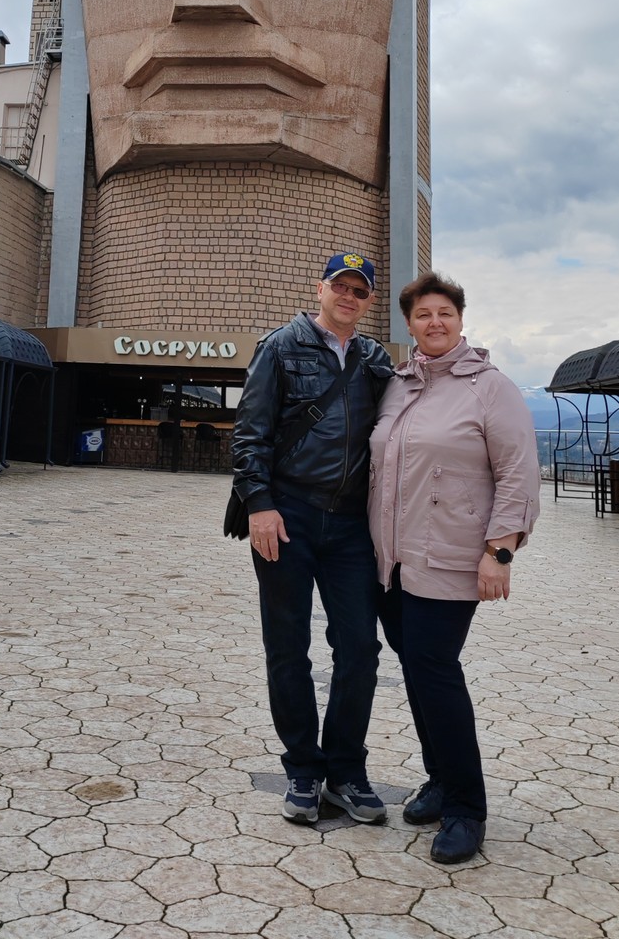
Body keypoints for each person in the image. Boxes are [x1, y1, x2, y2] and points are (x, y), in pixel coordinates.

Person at [368, 271, 540, 863]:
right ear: (408, 324)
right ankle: (439, 781)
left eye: (444, 312)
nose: (434, 323)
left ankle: (467, 806)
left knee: (435, 669)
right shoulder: (396, 385)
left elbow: (518, 473)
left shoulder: (491, 388)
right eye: (422, 315)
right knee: (416, 670)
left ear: (460, 319)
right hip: (390, 561)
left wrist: (500, 552)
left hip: (451, 559)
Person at [232, 253, 394, 825]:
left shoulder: (376, 359)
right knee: (287, 646)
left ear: (369, 300)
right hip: (289, 514)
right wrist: (260, 504)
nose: (349, 296)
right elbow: (250, 432)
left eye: (360, 290)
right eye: (340, 286)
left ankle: (346, 770)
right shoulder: (280, 346)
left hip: (351, 524)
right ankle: (303, 768)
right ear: (321, 289)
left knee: (360, 649)